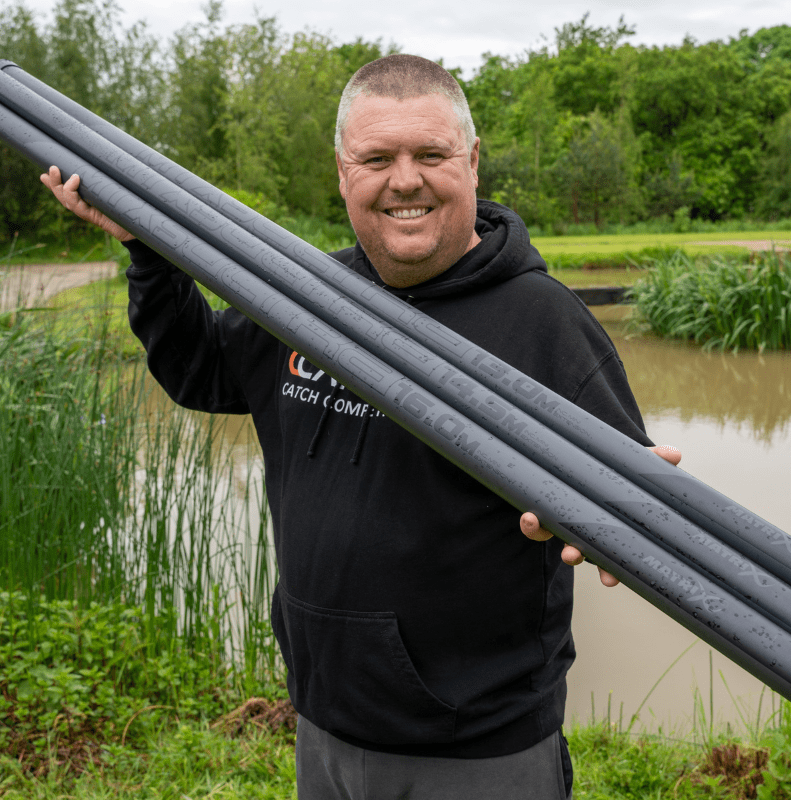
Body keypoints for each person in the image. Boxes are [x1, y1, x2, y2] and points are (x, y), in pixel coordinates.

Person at [42, 53, 681, 800]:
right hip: (324, 725)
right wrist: (148, 252)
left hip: (476, 752)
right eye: (377, 159)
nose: (405, 180)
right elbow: (201, 370)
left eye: (431, 154)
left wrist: (631, 515)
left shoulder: (545, 324)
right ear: (343, 170)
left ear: (472, 161)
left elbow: (624, 499)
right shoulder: (309, 300)